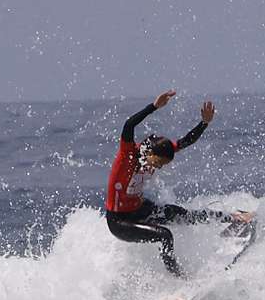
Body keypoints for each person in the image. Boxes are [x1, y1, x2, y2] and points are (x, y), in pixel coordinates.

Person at [105, 89, 252, 277]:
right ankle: (178, 278)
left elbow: (186, 141)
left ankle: (234, 218)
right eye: (158, 163)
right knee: (164, 235)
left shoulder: (159, 150)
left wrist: (204, 123)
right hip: (120, 222)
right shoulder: (129, 155)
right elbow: (128, 125)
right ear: (150, 154)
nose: (158, 167)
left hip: (139, 209)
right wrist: (154, 107)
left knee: (182, 214)